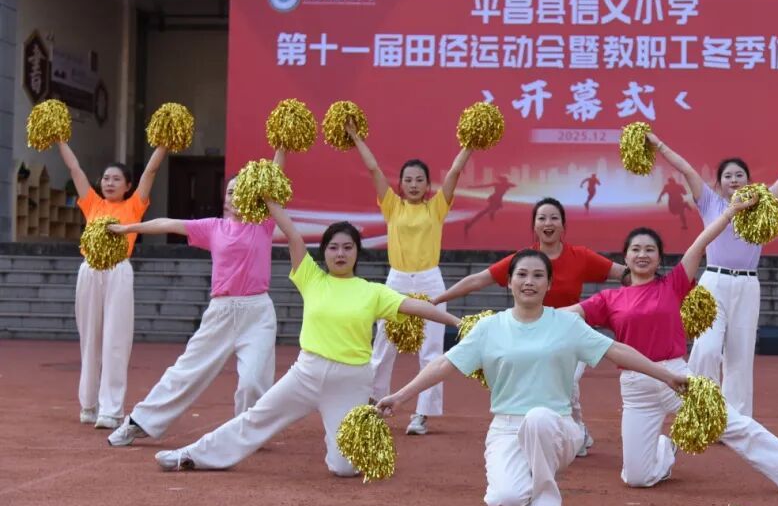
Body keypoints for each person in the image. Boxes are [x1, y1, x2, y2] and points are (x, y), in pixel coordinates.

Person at [377, 249, 687, 506]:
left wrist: (665, 375)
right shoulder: (489, 328)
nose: (529, 282)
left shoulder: (566, 325)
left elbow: (616, 350)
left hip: (557, 427)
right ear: (509, 282)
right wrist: (401, 396)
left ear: (549, 284)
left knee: (538, 418)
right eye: (522, 275)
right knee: (505, 501)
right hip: (506, 429)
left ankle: (547, 497)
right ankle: (530, 488)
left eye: (538, 276)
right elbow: (445, 363)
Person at [154, 200, 461, 474]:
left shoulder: (374, 291)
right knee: (256, 418)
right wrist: (269, 200)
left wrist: (457, 322)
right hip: (306, 373)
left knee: (344, 468)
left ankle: (340, 439)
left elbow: (417, 306)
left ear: (357, 252)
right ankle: (191, 455)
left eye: (348, 247)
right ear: (324, 252)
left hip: (351, 380)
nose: (340, 253)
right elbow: (292, 235)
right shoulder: (311, 277)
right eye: (333, 247)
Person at [562, 201, 778, 498]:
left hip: (678, 378)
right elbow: (569, 314)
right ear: (625, 257)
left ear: (659, 258)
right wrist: (529, 315)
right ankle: (664, 451)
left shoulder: (673, 283)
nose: (642, 255)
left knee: (734, 425)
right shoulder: (609, 299)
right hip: (636, 387)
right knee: (636, 478)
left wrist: (729, 213)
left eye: (650, 250)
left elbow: (701, 242)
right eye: (636, 249)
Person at [105, 149, 287, 447]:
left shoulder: (263, 224)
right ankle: (138, 422)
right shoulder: (213, 227)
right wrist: (128, 228)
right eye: (229, 191)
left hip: (257, 312)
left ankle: (247, 433)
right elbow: (167, 223)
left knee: (254, 380)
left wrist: (282, 146)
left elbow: (274, 176)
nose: (233, 196)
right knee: (186, 371)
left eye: (240, 191)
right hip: (221, 312)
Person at [434, 197, 626, 454]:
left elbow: (621, 272)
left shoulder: (580, 256)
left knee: (568, 385)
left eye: (554, 218)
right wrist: (437, 299)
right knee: (555, 388)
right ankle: (575, 430)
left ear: (563, 225)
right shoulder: (523, 261)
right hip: (529, 334)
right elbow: (478, 280)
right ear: (534, 225)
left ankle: (573, 432)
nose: (548, 223)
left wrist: (650, 284)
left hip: (569, 335)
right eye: (542, 218)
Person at [649, 132, 778, 417]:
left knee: (740, 358)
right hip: (714, 282)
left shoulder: (763, 205)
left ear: (748, 181)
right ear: (719, 182)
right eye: (728, 176)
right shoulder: (710, 203)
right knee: (707, 349)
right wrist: (659, 145)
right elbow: (686, 169)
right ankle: (700, 409)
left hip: (747, 285)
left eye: (740, 175)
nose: (734, 180)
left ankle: (736, 421)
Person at [347, 122, 473, 436]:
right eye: (408, 180)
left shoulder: (437, 207)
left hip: (430, 280)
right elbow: (373, 168)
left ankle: (422, 414)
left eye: (419, 180)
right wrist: (356, 137)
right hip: (397, 281)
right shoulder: (392, 206)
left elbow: (455, 172)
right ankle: (374, 405)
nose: (414, 184)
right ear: (400, 184)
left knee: (431, 350)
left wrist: (470, 143)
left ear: (428, 184)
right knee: (383, 346)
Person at [58, 140, 168, 429]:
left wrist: (164, 143)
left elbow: (151, 172)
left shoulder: (134, 205)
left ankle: (111, 409)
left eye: (116, 179)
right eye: (106, 178)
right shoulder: (92, 203)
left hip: (118, 270)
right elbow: (74, 169)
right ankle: (89, 405)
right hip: (89, 271)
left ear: (128, 186)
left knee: (115, 340)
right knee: (89, 338)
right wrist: (59, 139)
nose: (109, 183)